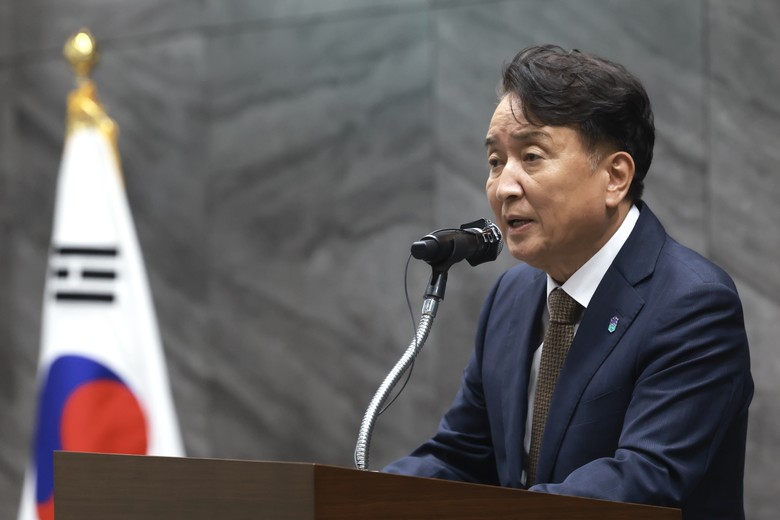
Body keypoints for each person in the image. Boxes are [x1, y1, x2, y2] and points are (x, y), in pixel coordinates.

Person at [384, 45, 753, 520]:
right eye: (495, 161)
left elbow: (643, 479)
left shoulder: (693, 304)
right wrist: (359, 498)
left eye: (531, 156)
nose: (504, 186)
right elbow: (462, 455)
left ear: (615, 176)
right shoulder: (511, 296)